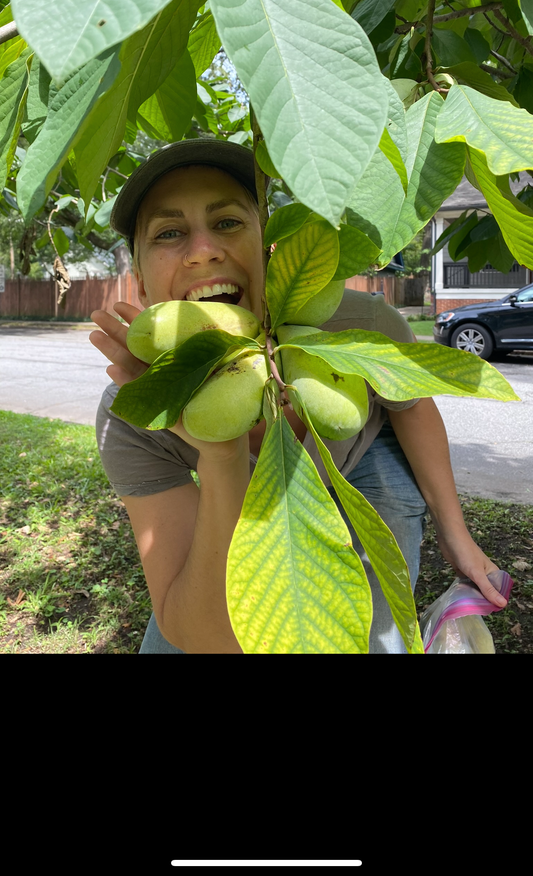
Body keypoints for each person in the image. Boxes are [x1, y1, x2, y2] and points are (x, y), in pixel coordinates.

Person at [89, 139, 508, 654]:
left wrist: (456, 535)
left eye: (227, 223)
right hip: (242, 488)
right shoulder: (133, 412)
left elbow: (414, 406)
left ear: (271, 249)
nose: (204, 250)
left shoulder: (359, 326)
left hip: (366, 459)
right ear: (144, 289)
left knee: (371, 636)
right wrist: (219, 453)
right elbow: (206, 635)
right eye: (170, 233)